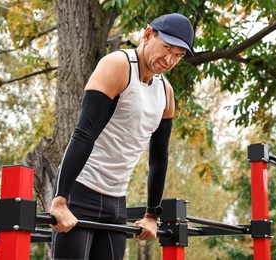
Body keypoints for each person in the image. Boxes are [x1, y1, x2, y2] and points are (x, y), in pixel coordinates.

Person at [50, 13, 194, 260]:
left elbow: (159, 158)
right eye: (167, 48)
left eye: (178, 55)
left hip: (116, 200)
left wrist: (152, 215)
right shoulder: (117, 65)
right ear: (148, 35)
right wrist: (60, 200)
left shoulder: (166, 92)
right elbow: (84, 132)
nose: (169, 60)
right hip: (80, 190)